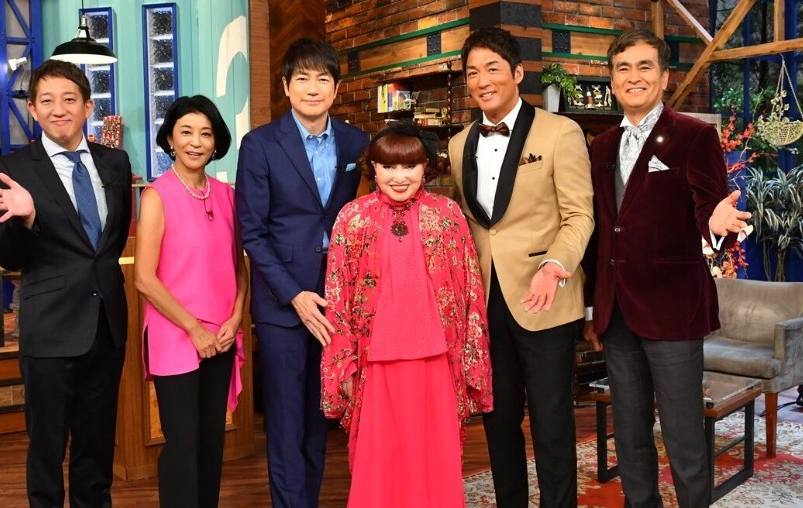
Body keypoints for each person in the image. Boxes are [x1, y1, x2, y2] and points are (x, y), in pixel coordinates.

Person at [582, 29, 751, 508]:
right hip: (617, 314)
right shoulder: (600, 146)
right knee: (630, 435)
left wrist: (717, 225)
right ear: (612, 79)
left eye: (645, 67)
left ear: (664, 77)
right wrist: (594, 308)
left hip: (674, 311)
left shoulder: (694, 136)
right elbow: (598, 233)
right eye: (623, 68)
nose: (633, 77)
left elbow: (710, 210)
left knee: (683, 436)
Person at [448, 27, 594, 508]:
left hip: (544, 296)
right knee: (498, 419)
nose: (482, 80)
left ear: (517, 72)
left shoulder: (560, 132)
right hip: (486, 302)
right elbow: (471, 224)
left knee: (552, 423)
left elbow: (579, 215)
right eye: (473, 72)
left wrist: (554, 265)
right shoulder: (458, 144)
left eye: (492, 68)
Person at [0, 59, 132, 508]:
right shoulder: (13, 168)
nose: (58, 109)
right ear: (32, 109)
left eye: (69, 99)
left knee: (96, 452)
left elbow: (109, 245)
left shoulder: (115, 162)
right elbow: (9, 258)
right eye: (46, 100)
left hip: (106, 326)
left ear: (88, 106)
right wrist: (27, 219)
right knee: (47, 453)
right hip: (49, 331)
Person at [320, 121, 494, 507]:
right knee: (379, 463)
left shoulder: (448, 214)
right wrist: (343, 359)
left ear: (426, 167)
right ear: (373, 168)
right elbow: (337, 294)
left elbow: (470, 290)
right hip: (375, 359)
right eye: (388, 166)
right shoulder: (353, 217)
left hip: (437, 358)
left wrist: (471, 357)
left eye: (409, 166)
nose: (399, 177)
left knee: (434, 458)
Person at [235, 37, 368, 508]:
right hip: (284, 305)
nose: (313, 88)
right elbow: (252, 233)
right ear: (286, 86)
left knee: (321, 414)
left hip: (336, 299)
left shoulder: (356, 142)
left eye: (323, 79)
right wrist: (294, 295)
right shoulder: (260, 144)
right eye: (303, 79)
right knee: (287, 418)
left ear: (336, 88)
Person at [134, 95, 247, 508]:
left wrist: (235, 318)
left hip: (221, 335)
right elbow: (144, 278)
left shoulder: (228, 195)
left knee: (211, 442)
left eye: (205, 133)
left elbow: (239, 267)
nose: (196, 142)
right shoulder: (156, 196)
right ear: (170, 139)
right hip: (176, 335)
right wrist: (194, 328)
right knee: (183, 444)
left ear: (216, 142)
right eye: (186, 132)